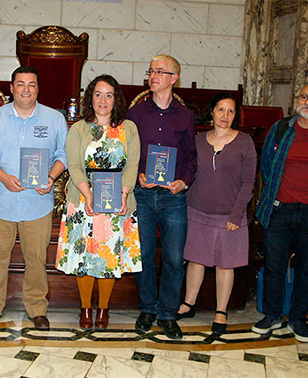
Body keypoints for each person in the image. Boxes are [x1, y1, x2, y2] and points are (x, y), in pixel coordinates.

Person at [0, 66, 67, 330]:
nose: (26, 89)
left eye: (32, 85)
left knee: (36, 259)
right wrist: (3, 177)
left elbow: (64, 154)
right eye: (21, 84)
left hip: (37, 204)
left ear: (38, 88)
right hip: (0, 201)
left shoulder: (54, 119)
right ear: (11, 88)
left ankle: (37, 308)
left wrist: (51, 177)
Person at [55, 74, 141, 329]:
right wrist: (88, 195)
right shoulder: (79, 128)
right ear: (90, 98)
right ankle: (84, 309)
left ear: (116, 99)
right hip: (84, 203)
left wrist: (124, 194)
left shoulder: (129, 128)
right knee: (84, 258)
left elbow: (132, 164)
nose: (103, 100)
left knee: (109, 258)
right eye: (98, 94)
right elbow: (73, 165)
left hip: (117, 203)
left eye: (109, 95)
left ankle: (103, 309)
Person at [252, 82, 308, 343]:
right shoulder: (282, 129)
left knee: (307, 269)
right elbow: (267, 166)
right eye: (304, 96)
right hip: (279, 210)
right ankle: (272, 315)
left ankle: (298, 319)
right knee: (274, 266)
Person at [126, 54, 196, 339]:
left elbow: (192, 157)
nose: (152, 76)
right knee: (142, 255)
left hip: (173, 197)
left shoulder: (186, 115)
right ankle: (147, 308)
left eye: (159, 71)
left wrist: (184, 182)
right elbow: (128, 153)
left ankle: (168, 312)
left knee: (173, 257)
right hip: (143, 194)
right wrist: (138, 174)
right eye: (151, 71)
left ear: (173, 78)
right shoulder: (136, 113)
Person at [176, 93, 257, 334]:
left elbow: (248, 183)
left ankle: (221, 311)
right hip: (197, 211)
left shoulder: (245, 143)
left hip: (229, 216)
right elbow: (187, 172)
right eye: (221, 110)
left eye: (230, 111)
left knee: (226, 264)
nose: (225, 115)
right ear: (211, 112)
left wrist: (236, 215)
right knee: (195, 260)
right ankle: (188, 303)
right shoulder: (198, 140)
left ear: (236, 116)